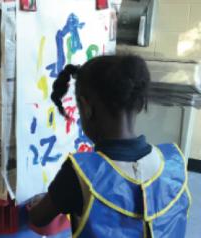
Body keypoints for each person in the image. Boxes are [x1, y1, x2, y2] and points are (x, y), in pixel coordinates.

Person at [29, 55, 191, 237]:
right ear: (138, 104)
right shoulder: (175, 164)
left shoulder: (81, 173)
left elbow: (38, 217)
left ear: (87, 107)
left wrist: (40, 201)